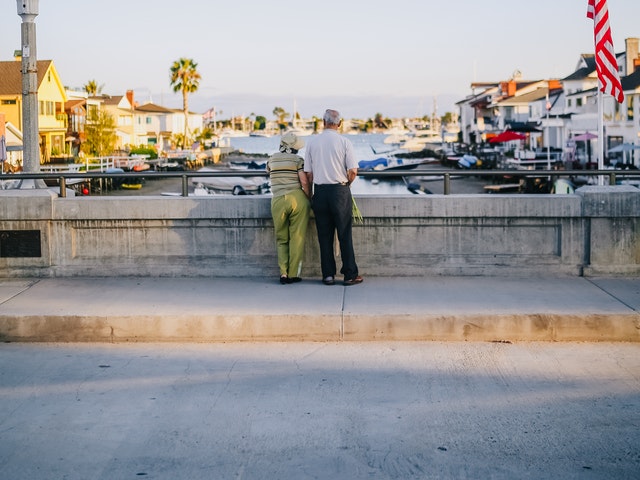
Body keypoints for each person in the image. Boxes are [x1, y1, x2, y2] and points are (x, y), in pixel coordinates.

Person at [304, 109, 363, 286]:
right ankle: (350, 275)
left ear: (323, 122)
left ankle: (328, 275)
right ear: (339, 123)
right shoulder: (344, 142)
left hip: (320, 192)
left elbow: (308, 174)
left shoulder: (312, 143)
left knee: (324, 235)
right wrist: (346, 184)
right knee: (344, 234)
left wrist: (312, 195)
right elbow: (353, 171)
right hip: (340, 191)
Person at [267, 132, 311, 284]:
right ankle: (293, 274)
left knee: (281, 238)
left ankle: (283, 273)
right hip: (296, 198)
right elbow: (304, 182)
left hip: (277, 199)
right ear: (295, 148)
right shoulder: (298, 160)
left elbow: (269, 173)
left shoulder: (271, 159)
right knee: (296, 237)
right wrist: (309, 197)